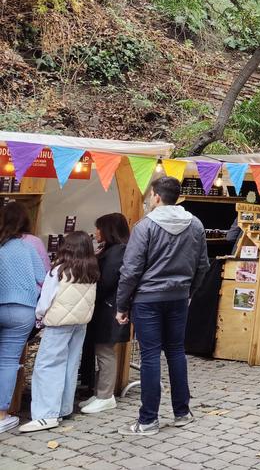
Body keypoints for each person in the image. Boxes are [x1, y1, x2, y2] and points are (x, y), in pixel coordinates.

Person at [115, 176, 210, 435]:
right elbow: (203, 266)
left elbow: (131, 270)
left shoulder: (144, 227)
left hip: (147, 300)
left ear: (156, 196)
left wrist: (121, 305)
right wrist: (189, 292)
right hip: (179, 298)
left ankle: (147, 420)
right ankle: (182, 412)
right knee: (176, 353)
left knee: (149, 356)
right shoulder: (196, 225)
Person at [19, 232, 99, 432]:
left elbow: (45, 300)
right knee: (70, 364)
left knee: (47, 366)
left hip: (57, 323)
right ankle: (63, 408)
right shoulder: (91, 271)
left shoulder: (58, 271)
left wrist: (39, 317)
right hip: (80, 323)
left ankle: (46, 414)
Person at [0, 206, 48, 434]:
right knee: (8, 362)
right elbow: (43, 278)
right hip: (22, 311)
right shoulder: (28, 247)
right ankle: (1, 415)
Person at [81, 213, 132, 415]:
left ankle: (105, 395)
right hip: (105, 307)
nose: (96, 233)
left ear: (108, 230)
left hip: (108, 308)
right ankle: (100, 392)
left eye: (99, 228)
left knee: (105, 351)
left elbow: (107, 281)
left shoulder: (117, 252)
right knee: (101, 350)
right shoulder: (112, 250)